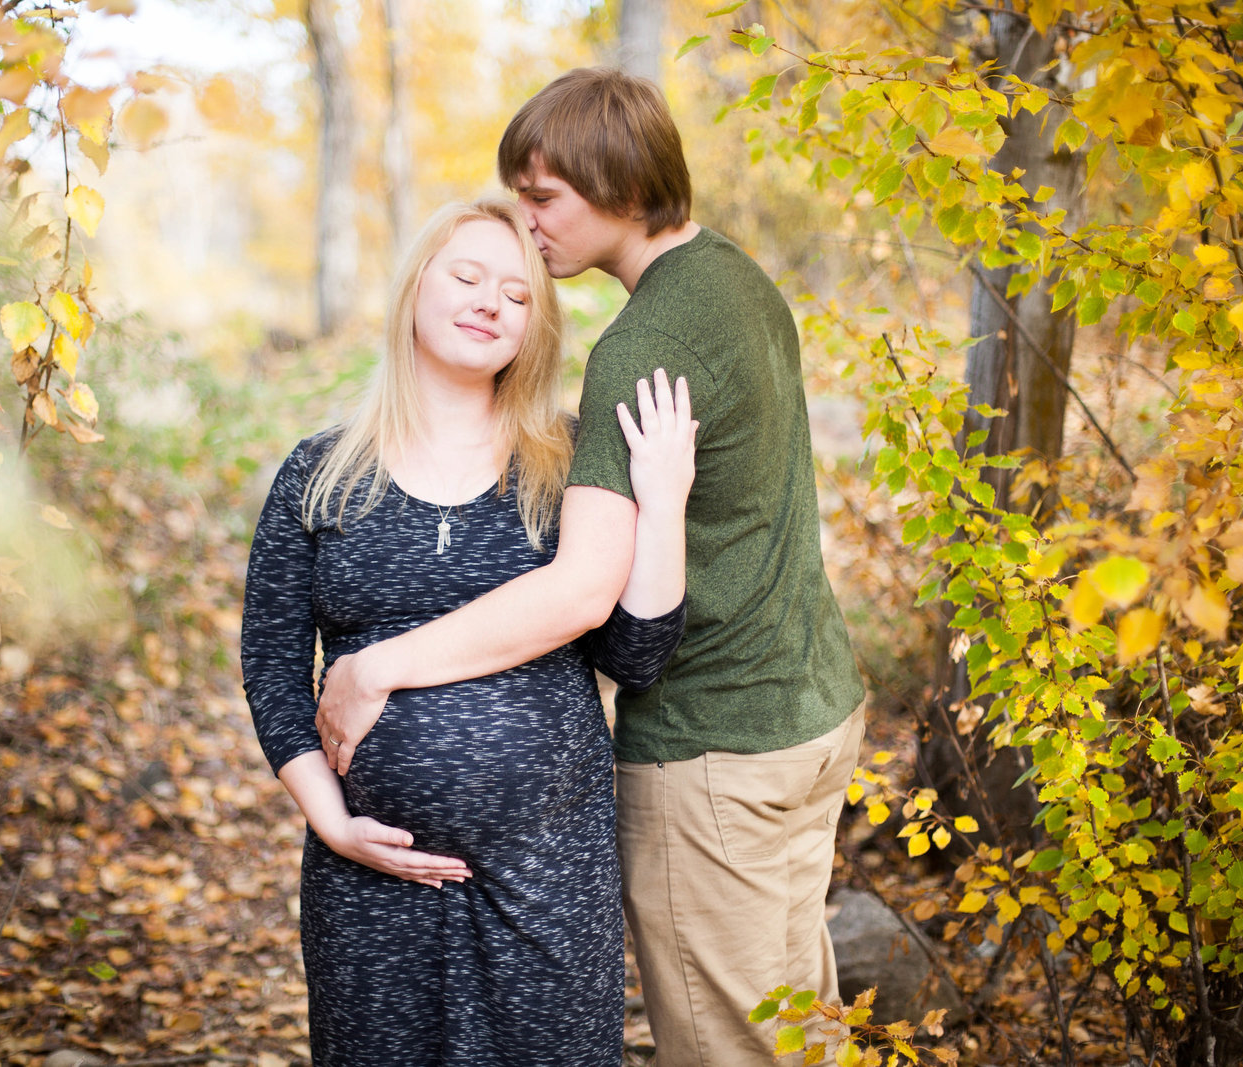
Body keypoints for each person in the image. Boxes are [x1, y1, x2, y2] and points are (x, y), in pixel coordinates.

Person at [315, 69, 867, 1066]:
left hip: (716, 746)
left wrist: (377, 664)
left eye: (543, 196)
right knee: (801, 1028)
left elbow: (579, 590)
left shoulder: (639, 346)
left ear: (616, 183)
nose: (526, 224)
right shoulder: (736, 277)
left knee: (730, 1044)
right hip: (807, 713)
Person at [240, 198, 696, 1066]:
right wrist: (332, 822)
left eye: (520, 295)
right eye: (468, 276)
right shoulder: (322, 471)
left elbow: (635, 655)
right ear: (416, 287)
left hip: (547, 877)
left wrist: (663, 503)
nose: (493, 302)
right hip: (368, 880)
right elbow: (269, 666)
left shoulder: (569, 461)